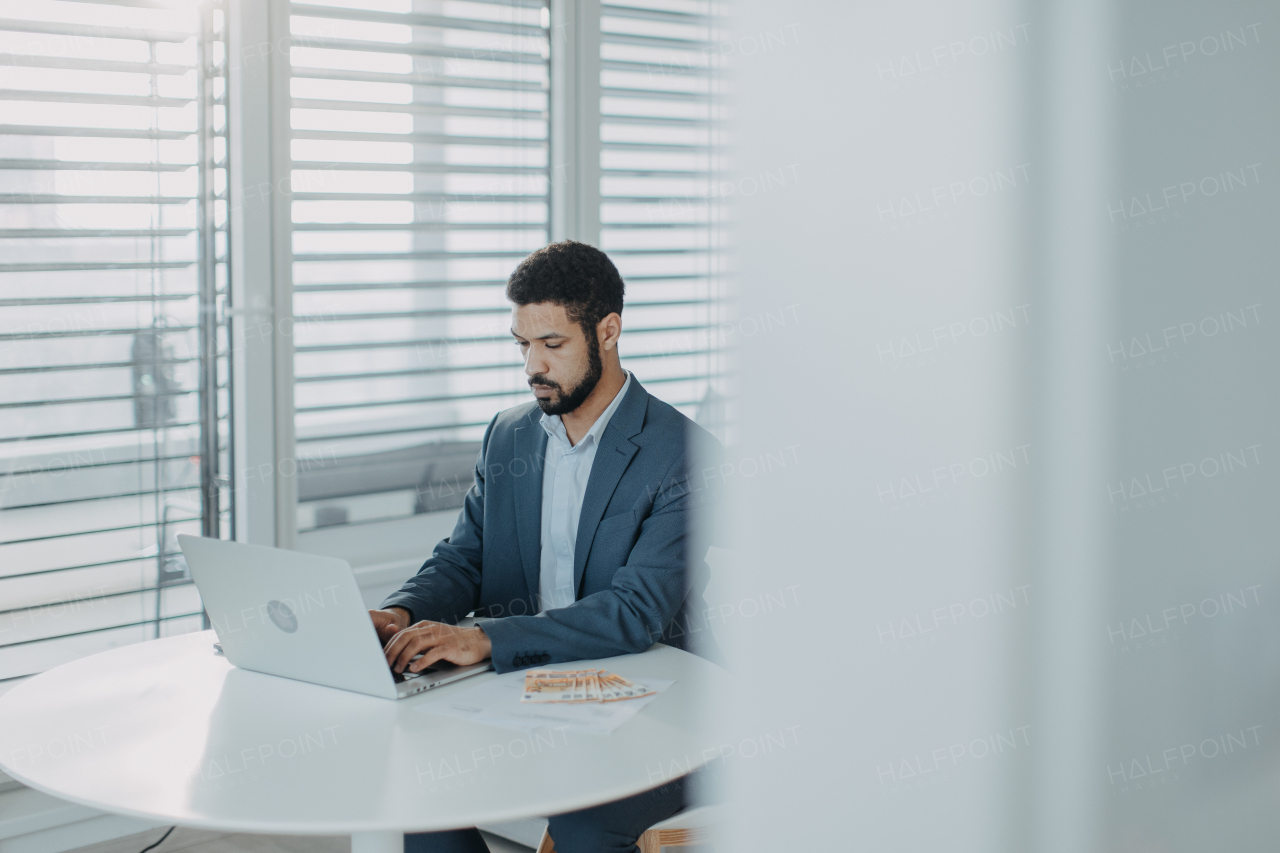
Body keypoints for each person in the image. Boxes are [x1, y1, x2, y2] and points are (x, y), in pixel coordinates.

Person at [367, 240, 722, 853]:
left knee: (585, 827)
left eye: (552, 345)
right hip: (528, 689)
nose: (533, 365)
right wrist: (399, 612)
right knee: (421, 785)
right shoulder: (508, 436)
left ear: (608, 331)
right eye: (522, 344)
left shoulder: (683, 453)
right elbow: (465, 558)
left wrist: (482, 639)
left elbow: (636, 611)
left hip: (659, 704)